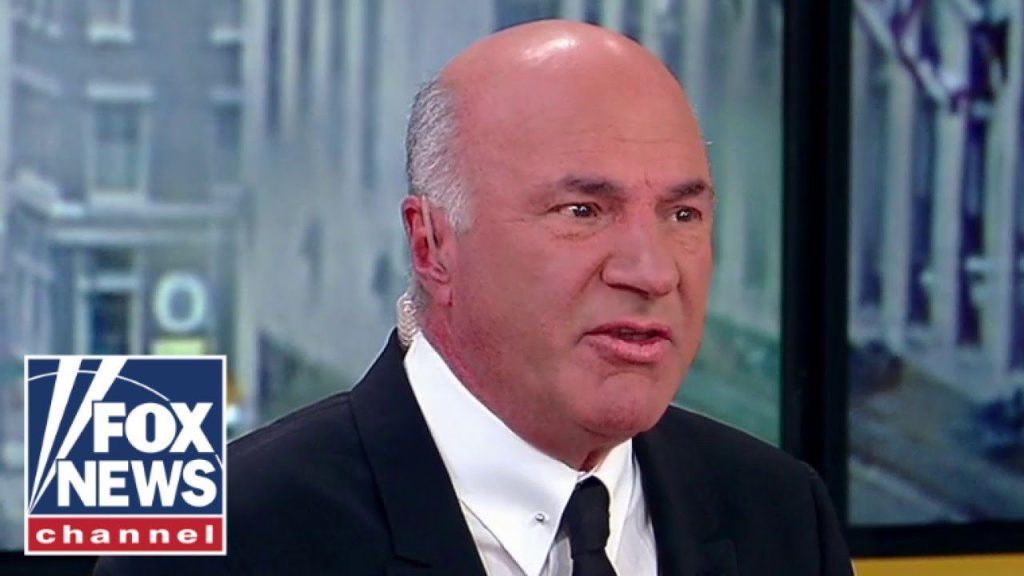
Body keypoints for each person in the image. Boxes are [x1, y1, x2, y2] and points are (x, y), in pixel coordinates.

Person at [96, 20, 853, 576]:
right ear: (433, 245)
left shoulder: (782, 515)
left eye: (682, 215)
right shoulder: (221, 547)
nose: (652, 272)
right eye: (583, 211)